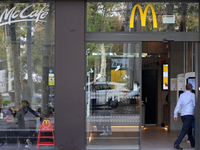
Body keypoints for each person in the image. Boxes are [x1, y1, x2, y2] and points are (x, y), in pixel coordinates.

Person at [173, 83, 195, 149]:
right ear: (191, 88)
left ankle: (193, 143)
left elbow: (178, 105)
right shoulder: (192, 95)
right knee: (185, 129)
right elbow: (195, 104)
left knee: (189, 129)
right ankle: (176, 144)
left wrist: (175, 115)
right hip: (189, 114)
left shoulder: (182, 95)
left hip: (183, 115)